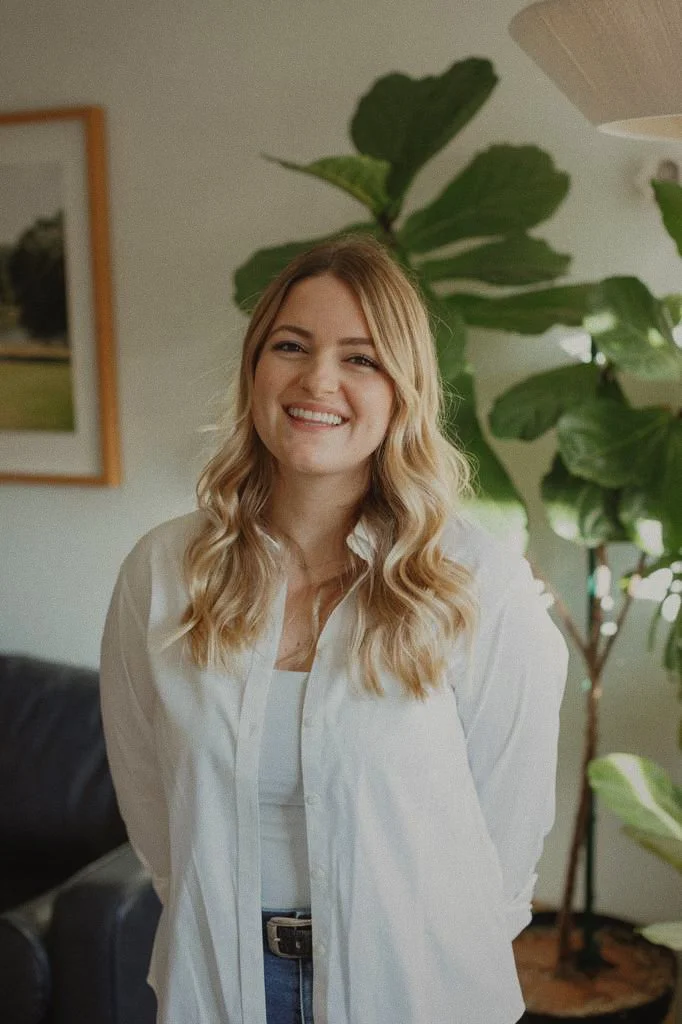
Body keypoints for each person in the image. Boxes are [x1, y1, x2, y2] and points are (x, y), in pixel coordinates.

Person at [100, 235, 568, 1024]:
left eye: (361, 358)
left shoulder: (476, 587)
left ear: (402, 391)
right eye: (292, 346)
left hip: (415, 989)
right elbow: (152, 807)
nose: (318, 380)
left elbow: (506, 847)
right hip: (223, 987)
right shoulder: (163, 574)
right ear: (255, 369)